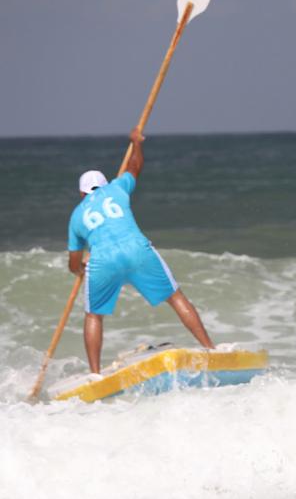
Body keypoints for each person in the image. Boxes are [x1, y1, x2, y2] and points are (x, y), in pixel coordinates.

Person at [67, 128, 215, 374]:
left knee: (94, 315)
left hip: (102, 261)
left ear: (82, 193)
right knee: (176, 297)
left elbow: (73, 263)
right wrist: (136, 143)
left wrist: (80, 270)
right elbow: (136, 166)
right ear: (103, 185)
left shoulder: (76, 215)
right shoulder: (117, 188)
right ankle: (211, 349)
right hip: (137, 250)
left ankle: (94, 375)